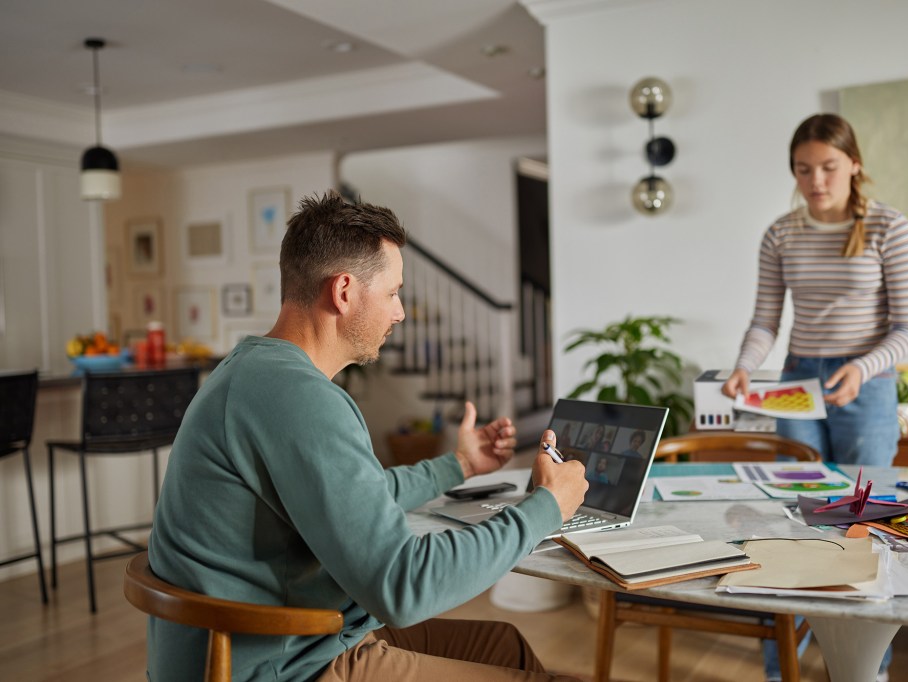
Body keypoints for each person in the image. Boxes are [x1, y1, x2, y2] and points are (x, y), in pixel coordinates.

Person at [146, 193, 589, 682]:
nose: (399, 313)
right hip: (280, 666)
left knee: (503, 645)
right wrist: (548, 505)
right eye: (393, 292)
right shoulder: (299, 399)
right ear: (343, 292)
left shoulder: (258, 374)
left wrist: (459, 465)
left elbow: (358, 496)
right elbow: (403, 585)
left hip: (285, 643)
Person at [722, 113, 908, 682]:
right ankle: (781, 664)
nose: (817, 181)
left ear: (853, 164)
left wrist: (862, 367)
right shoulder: (781, 234)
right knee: (793, 520)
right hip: (798, 384)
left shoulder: (889, 227)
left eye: (829, 167)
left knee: (862, 525)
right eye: (804, 169)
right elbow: (765, 320)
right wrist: (743, 368)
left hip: (868, 385)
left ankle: (869, 666)